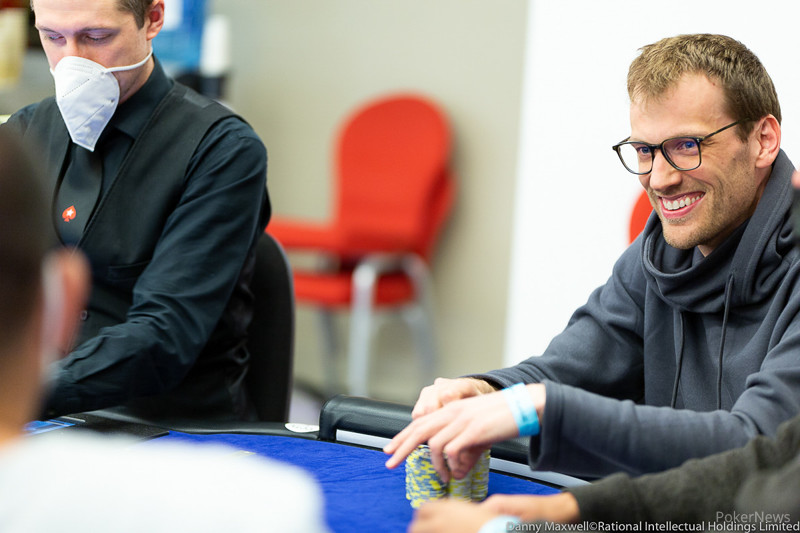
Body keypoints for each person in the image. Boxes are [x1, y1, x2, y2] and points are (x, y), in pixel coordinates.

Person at [385, 33, 800, 482]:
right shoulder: (657, 255)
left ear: (763, 140)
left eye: (686, 145)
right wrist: (486, 390)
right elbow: (567, 369)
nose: (659, 179)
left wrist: (542, 408)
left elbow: (762, 448)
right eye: (645, 151)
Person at [0, 128, 326, 532]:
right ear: (67, 302)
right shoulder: (249, 508)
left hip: (185, 420)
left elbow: (164, 334)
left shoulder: (220, 147)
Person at [1, 0, 270, 421]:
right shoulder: (24, 133)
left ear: (153, 19)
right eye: (52, 37)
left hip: (169, 426)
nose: (72, 60)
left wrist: (22, 390)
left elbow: (165, 335)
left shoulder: (221, 151)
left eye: (96, 37)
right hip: (35, 414)